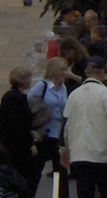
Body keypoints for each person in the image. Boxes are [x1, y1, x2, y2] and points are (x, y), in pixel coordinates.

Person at [63, 56, 107, 198]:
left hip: (79, 155)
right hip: (103, 156)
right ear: (102, 72)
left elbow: (65, 127)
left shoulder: (73, 95)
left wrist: (66, 150)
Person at [27, 57, 69, 198]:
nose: (65, 73)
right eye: (62, 70)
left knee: (61, 168)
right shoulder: (42, 86)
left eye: (66, 69)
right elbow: (29, 102)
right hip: (43, 132)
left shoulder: (64, 88)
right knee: (36, 169)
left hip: (57, 133)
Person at [0, 66, 38, 195]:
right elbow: (17, 125)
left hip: (15, 145)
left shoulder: (15, 96)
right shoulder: (14, 98)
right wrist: (29, 143)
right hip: (16, 148)